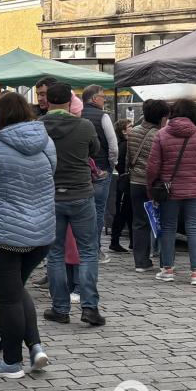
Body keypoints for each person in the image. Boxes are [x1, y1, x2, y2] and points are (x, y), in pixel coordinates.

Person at [0, 92, 56, 378]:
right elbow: (51, 174)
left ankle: (11, 362)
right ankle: (36, 347)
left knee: (9, 297)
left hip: (2, 234)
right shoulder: (46, 142)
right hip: (41, 233)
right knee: (16, 289)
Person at [40, 83, 106, 326]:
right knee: (88, 251)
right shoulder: (84, 125)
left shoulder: (38, 128)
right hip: (80, 194)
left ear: (47, 102)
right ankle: (89, 307)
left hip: (51, 196)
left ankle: (60, 308)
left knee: (55, 253)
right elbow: (95, 150)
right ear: (70, 101)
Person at [146, 98, 196, 285]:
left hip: (170, 190)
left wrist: (152, 186)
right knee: (193, 228)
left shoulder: (161, 134)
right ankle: (195, 273)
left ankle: (167, 269)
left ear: (173, 112)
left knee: (168, 228)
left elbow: (153, 167)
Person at [126, 99, 169, 272]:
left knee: (139, 222)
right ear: (161, 117)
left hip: (135, 181)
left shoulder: (133, 131)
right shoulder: (159, 135)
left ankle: (140, 261)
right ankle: (163, 259)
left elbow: (128, 158)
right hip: (153, 184)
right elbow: (160, 162)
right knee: (162, 219)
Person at [80, 86, 119, 264]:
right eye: (103, 97)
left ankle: (81, 249)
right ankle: (95, 250)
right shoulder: (103, 116)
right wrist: (112, 164)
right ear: (94, 99)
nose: (105, 100)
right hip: (101, 168)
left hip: (81, 169)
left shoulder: (78, 115)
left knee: (82, 211)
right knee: (98, 209)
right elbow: (113, 145)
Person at [109, 118, 133, 253]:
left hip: (125, 181)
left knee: (129, 212)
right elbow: (120, 164)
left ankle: (132, 241)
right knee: (122, 212)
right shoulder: (124, 145)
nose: (133, 128)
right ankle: (114, 241)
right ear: (124, 131)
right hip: (125, 182)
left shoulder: (126, 144)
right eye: (130, 126)